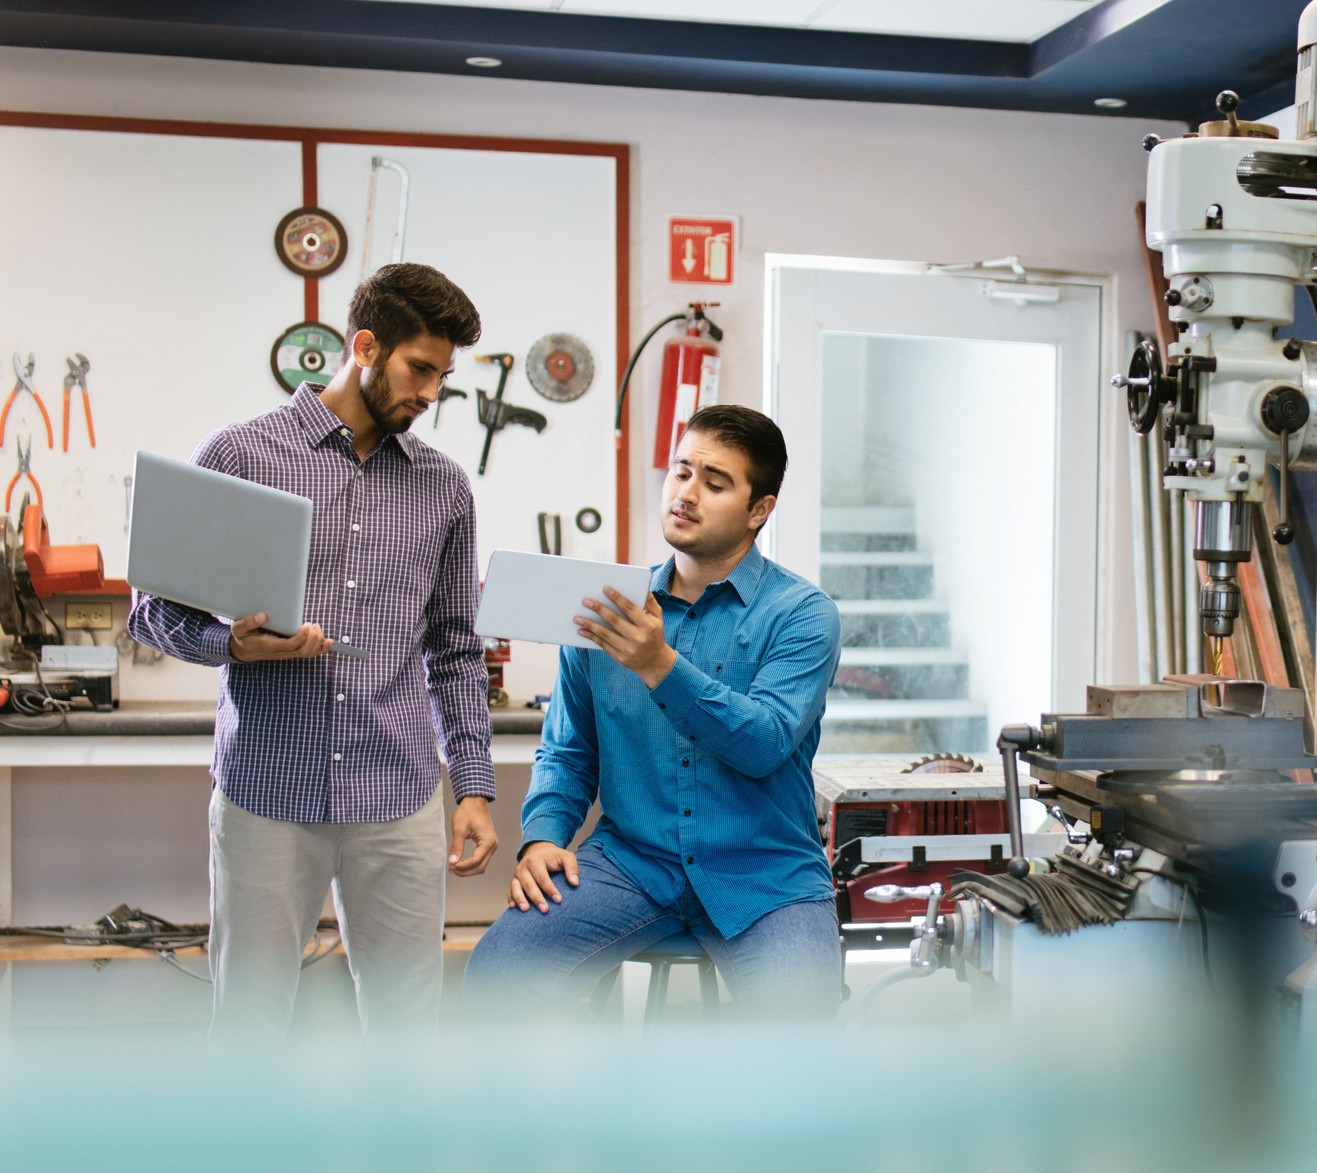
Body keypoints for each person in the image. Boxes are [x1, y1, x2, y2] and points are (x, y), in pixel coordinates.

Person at [128, 263, 499, 1040]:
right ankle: (247, 1166)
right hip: (267, 791)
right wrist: (230, 643)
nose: (430, 393)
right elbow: (151, 613)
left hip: (398, 798)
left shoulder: (446, 490)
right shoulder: (238, 456)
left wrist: (472, 786)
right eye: (418, 368)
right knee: (251, 1025)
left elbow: (456, 652)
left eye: (443, 375)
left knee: (408, 1031)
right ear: (365, 345)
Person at [464, 405, 842, 1019]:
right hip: (633, 863)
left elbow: (764, 743)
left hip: (767, 873)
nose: (686, 493)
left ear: (759, 510)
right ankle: (589, 1108)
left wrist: (658, 665)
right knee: (500, 973)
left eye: (715, 484)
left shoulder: (802, 615)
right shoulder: (602, 607)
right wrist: (543, 837)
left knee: (799, 1032)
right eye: (681, 472)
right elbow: (567, 752)